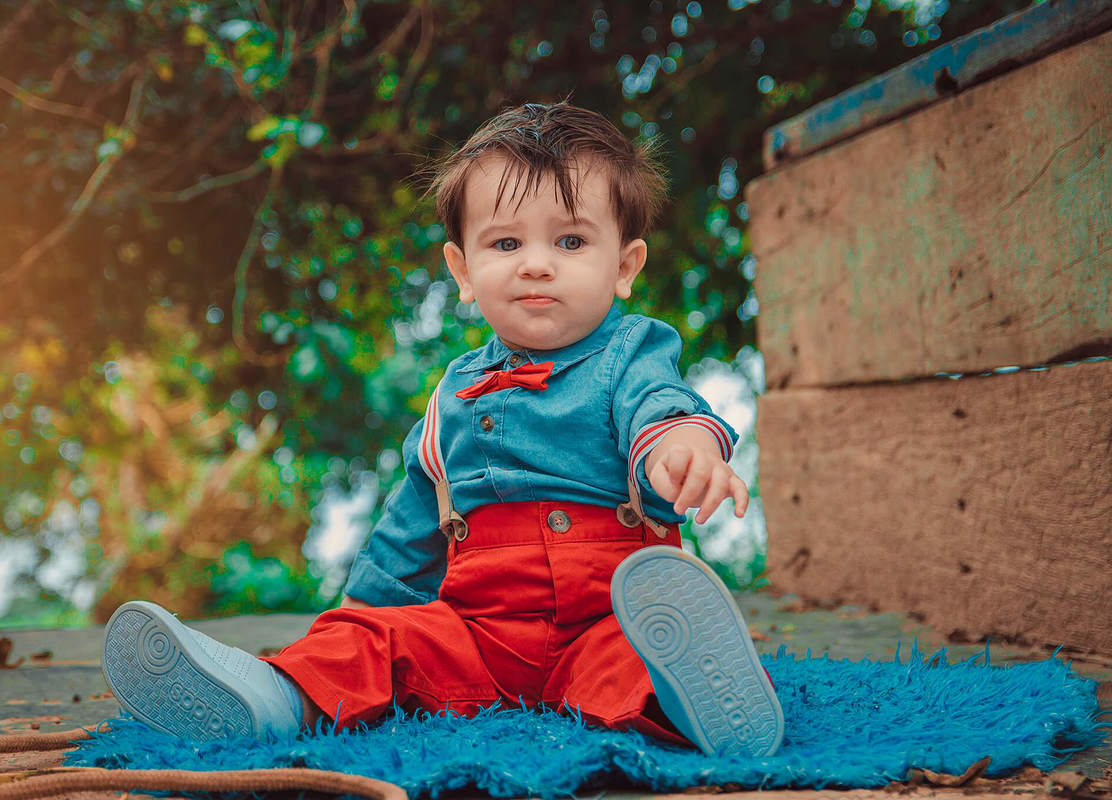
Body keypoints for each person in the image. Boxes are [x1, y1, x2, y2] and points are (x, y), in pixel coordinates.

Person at [101, 102, 783, 757]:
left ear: (625, 266)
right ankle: (273, 698)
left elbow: (659, 405)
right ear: (462, 270)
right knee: (374, 644)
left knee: (636, 660)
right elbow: (410, 528)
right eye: (506, 242)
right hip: (477, 637)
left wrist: (680, 448)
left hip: (605, 617)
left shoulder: (627, 352)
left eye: (570, 240)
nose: (537, 263)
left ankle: (702, 699)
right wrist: (355, 620)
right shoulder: (451, 397)